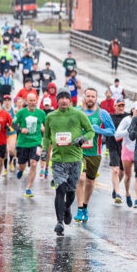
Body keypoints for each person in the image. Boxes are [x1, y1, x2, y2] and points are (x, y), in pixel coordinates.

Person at [42, 87, 95, 235]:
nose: (64, 100)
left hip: (75, 159)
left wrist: (82, 138)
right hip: (58, 159)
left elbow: (91, 131)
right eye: (61, 97)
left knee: (71, 191)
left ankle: (66, 209)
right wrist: (45, 150)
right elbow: (46, 137)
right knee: (60, 189)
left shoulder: (78, 114)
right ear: (57, 100)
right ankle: (59, 222)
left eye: (67, 97)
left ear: (70, 100)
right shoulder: (51, 117)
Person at [75, 88, 116, 222]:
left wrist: (98, 130)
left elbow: (112, 131)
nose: (90, 99)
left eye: (93, 96)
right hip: (78, 151)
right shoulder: (77, 112)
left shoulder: (102, 114)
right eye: (88, 96)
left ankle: (85, 205)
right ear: (84, 98)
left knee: (90, 181)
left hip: (94, 152)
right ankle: (79, 208)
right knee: (81, 179)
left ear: (96, 98)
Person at [14, 93, 47, 197]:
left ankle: (28, 188)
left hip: (36, 142)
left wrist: (46, 132)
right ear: (26, 101)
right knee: (21, 165)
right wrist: (20, 129)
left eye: (34, 100)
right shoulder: (21, 113)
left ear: (37, 101)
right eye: (30, 101)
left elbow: (47, 125)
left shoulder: (41, 113)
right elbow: (13, 124)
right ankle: (20, 170)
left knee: (33, 163)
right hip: (23, 143)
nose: (32, 103)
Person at [115, 102, 137, 209]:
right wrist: (129, 130)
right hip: (127, 150)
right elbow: (117, 135)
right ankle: (127, 193)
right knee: (128, 176)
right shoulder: (126, 120)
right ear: (132, 110)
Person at [107, 99, 130, 204]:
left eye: (123, 106)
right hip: (112, 145)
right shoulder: (110, 117)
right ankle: (117, 193)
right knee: (115, 170)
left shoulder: (128, 116)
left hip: (124, 147)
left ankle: (115, 188)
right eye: (119, 106)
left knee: (122, 171)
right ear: (115, 106)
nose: (121, 108)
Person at [2, 95, 18, 174]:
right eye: (5, 100)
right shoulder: (1, 110)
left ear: (11, 101)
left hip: (12, 133)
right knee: (5, 152)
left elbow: (17, 121)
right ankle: (5, 169)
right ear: (3, 101)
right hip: (3, 134)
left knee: (11, 150)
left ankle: (10, 162)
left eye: (8, 100)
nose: (7, 102)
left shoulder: (14, 110)